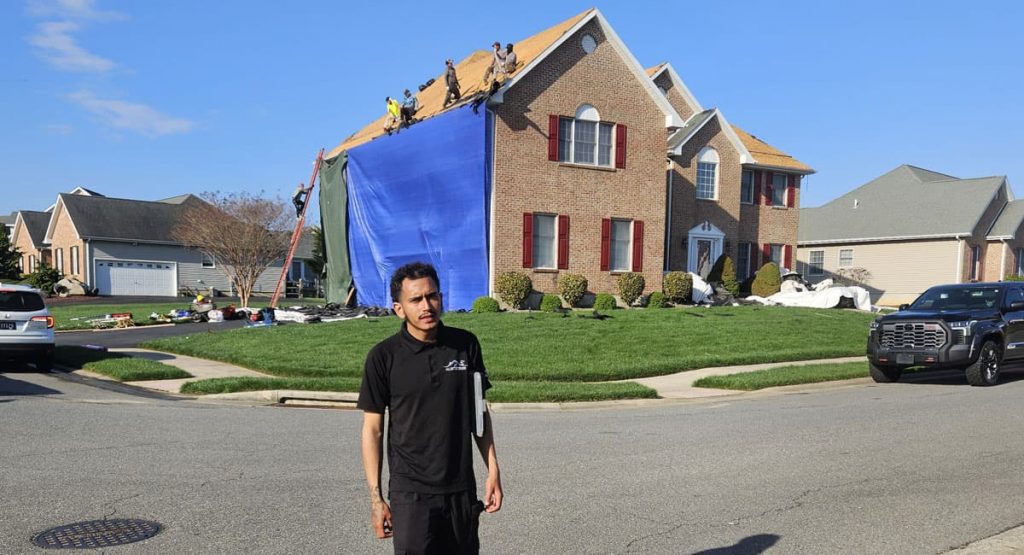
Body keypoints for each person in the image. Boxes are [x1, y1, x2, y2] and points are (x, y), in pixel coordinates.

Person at [359, 262, 503, 554]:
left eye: (432, 296)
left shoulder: (465, 345)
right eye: (416, 299)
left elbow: (480, 413)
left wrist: (493, 471)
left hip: (460, 489)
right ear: (399, 308)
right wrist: (376, 500)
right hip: (411, 494)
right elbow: (373, 430)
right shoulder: (383, 357)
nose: (427, 306)